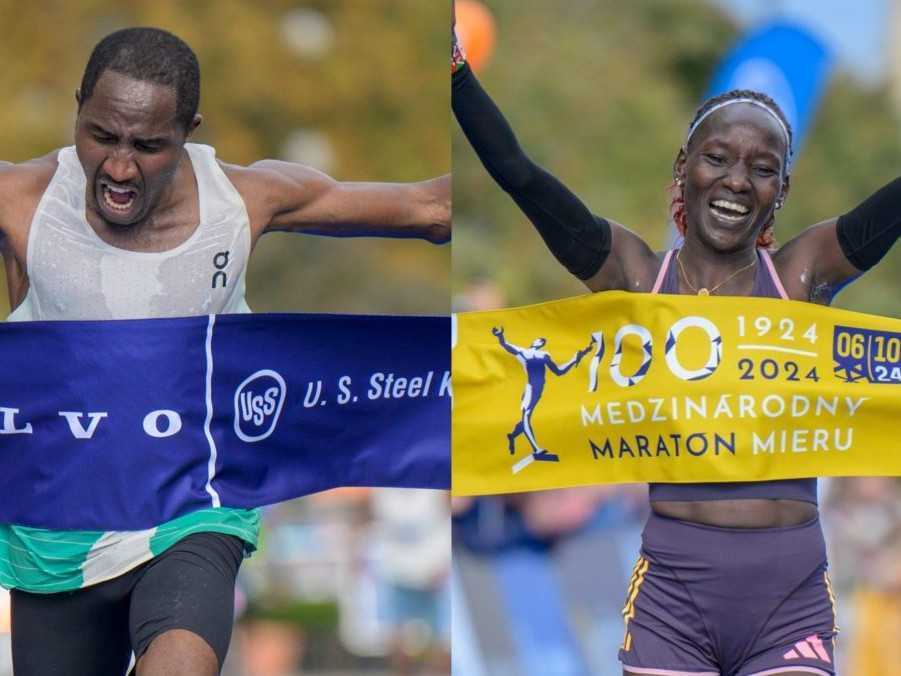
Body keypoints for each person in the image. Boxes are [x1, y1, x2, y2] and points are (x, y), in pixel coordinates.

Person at [452, 9, 899, 676]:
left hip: (790, 600)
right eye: (717, 159)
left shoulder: (802, 274)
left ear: (780, 194)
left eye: (762, 168)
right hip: (672, 601)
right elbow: (517, 172)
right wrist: (456, 75)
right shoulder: (634, 276)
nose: (737, 181)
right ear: (682, 168)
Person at [0, 27, 449, 676]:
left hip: (194, 505)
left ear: (189, 130)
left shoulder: (242, 201)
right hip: (58, 529)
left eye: (148, 146)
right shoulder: (22, 202)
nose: (120, 167)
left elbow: (430, 209)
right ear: (78, 109)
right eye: (102, 136)